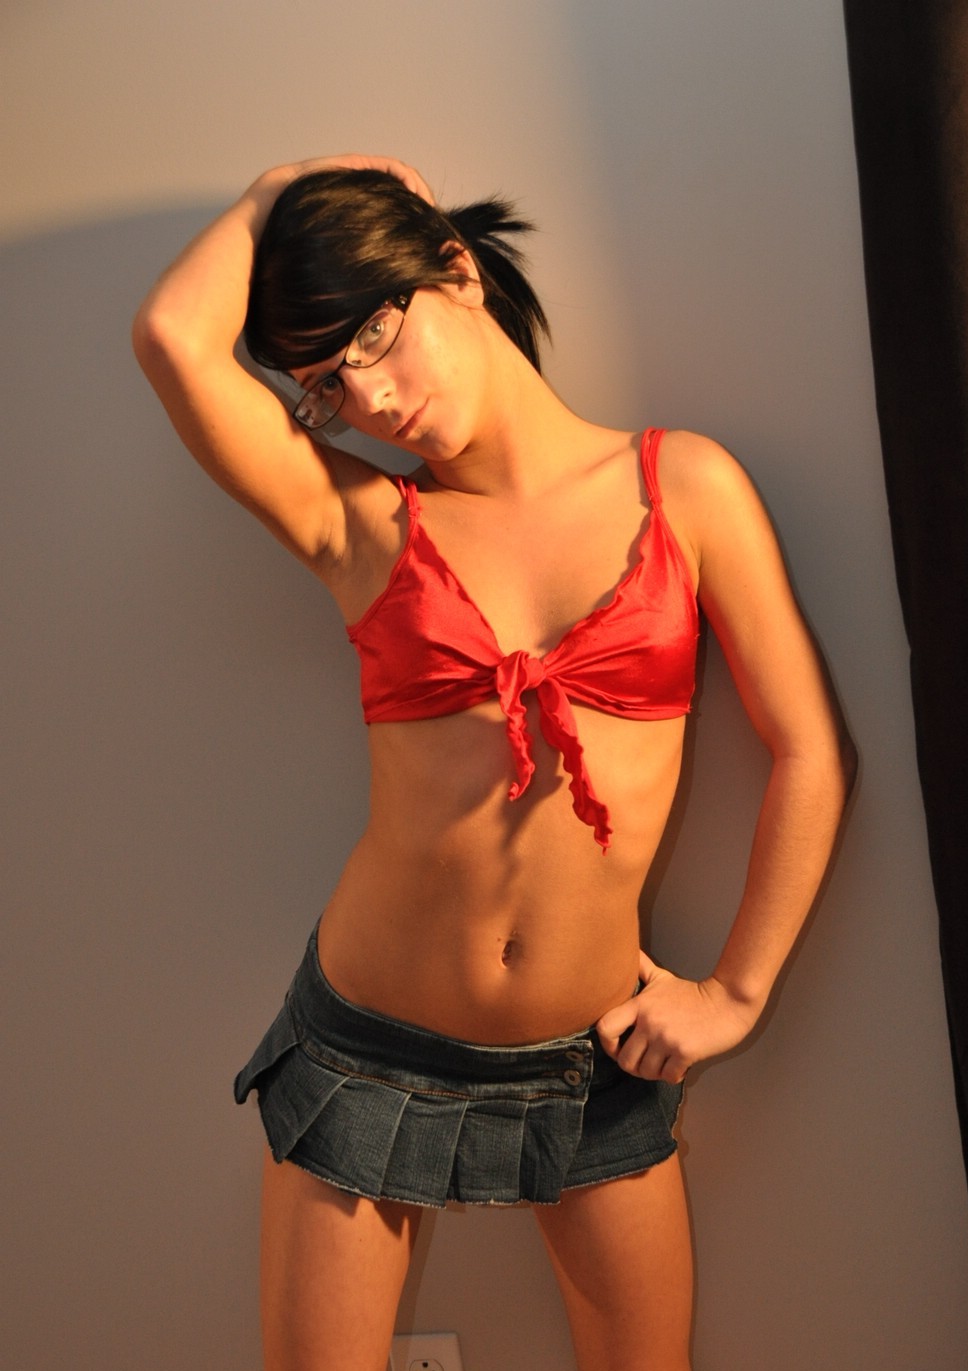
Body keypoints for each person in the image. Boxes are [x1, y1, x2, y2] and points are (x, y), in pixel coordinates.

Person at [132, 153, 856, 1371]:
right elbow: (170, 339)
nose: (367, 398)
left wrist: (735, 993)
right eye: (323, 385)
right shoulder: (363, 524)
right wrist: (275, 187)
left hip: (591, 1057)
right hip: (362, 1045)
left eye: (374, 335)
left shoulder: (682, 487)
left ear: (455, 270)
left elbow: (808, 752)